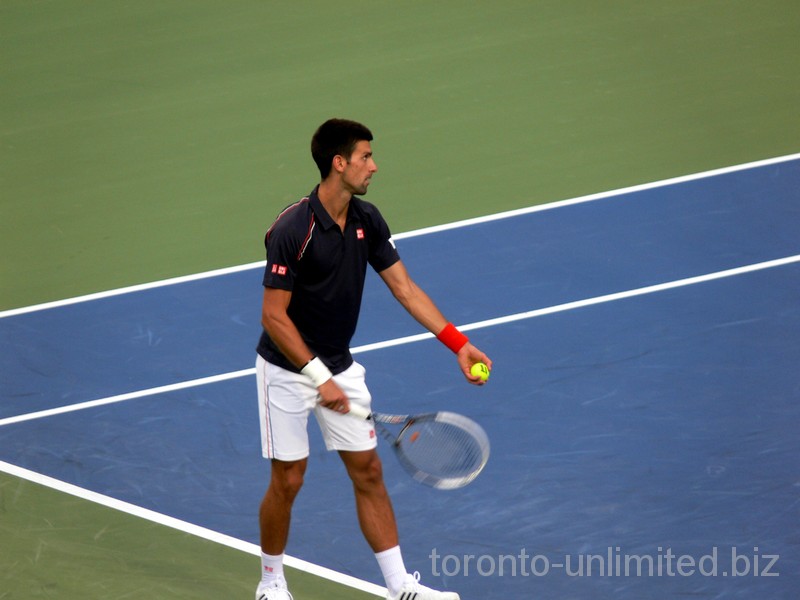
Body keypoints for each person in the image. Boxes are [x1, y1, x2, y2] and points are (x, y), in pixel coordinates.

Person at [254, 118, 492, 600]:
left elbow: (404, 289)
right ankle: (271, 581)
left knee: (369, 471)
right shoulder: (293, 228)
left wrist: (458, 343)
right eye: (365, 157)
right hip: (285, 370)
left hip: (340, 366)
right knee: (289, 478)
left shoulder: (368, 220)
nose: (374, 166)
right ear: (338, 164)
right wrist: (318, 377)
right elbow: (273, 317)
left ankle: (400, 586)